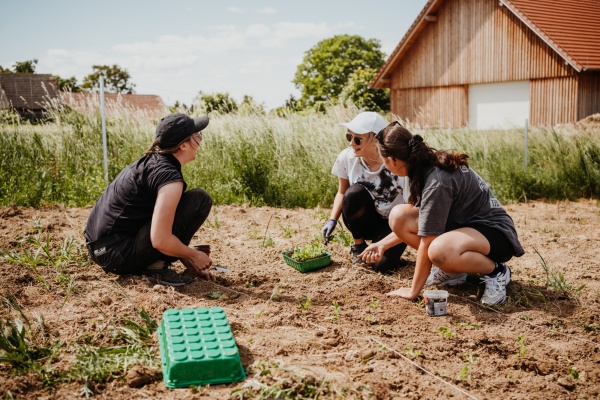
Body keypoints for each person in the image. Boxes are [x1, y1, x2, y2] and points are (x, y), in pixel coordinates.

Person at [362, 121, 524, 304]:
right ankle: (453, 271)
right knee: (399, 217)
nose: (384, 164)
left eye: (383, 159)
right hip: (465, 229)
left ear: (393, 160)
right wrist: (383, 244)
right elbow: (426, 222)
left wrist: (413, 291)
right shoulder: (423, 166)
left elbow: (427, 240)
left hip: (495, 234)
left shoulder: (436, 182)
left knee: (438, 251)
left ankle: (497, 272)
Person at [84, 113, 213, 286]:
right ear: (183, 146)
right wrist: (195, 255)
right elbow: (160, 239)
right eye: (197, 136)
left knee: (193, 200)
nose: (200, 140)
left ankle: (154, 263)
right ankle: (156, 268)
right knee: (198, 200)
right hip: (116, 254)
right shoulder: (169, 179)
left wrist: (188, 259)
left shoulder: (152, 164)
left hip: (102, 249)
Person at [322, 111, 409, 273]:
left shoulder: (397, 162)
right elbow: (342, 192)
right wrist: (332, 220)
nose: (351, 143)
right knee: (353, 193)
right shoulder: (346, 158)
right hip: (366, 220)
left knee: (380, 266)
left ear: (376, 138)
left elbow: (412, 207)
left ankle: (389, 252)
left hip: (393, 223)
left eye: (357, 139)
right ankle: (358, 245)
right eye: (349, 137)